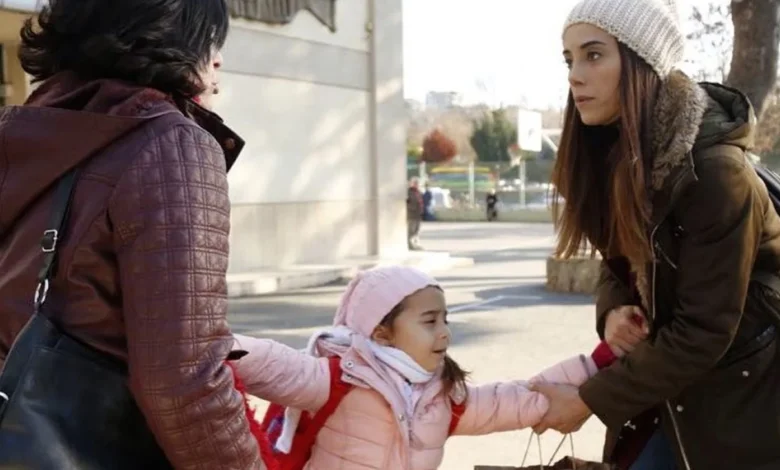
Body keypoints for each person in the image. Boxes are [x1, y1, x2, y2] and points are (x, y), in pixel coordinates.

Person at [0, 0, 268, 467]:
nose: (218, 59)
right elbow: (185, 383)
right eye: (208, 39)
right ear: (162, 34)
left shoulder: (30, 133)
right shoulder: (170, 145)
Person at [532, 0, 780, 469]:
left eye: (593, 55)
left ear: (642, 62)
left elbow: (704, 330)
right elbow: (617, 265)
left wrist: (586, 400)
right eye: (569, 60)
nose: (575, 76)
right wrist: (612, 312)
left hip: (738, 404)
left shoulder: (715, 174)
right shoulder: (611, 157)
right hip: (658, 390)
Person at [231, 265, 608, 469]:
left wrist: (597, 369)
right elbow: (269, 362)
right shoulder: (337, 378)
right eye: (429, 322)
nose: (444, 333)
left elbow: (508, 401)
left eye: (445, 319)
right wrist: (209, 345)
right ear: (381, 332)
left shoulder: (443, 397)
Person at [407, 177, 424, 250]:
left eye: (417, 183)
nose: (416, 184)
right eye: (415, 183)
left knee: (417, 231)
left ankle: (415, 244)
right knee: (411, 231)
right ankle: (410, 245)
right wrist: (412, 208)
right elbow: (406, 203)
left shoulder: (418, 192)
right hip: (412, 214)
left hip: (418, 214)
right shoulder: (409, 192)